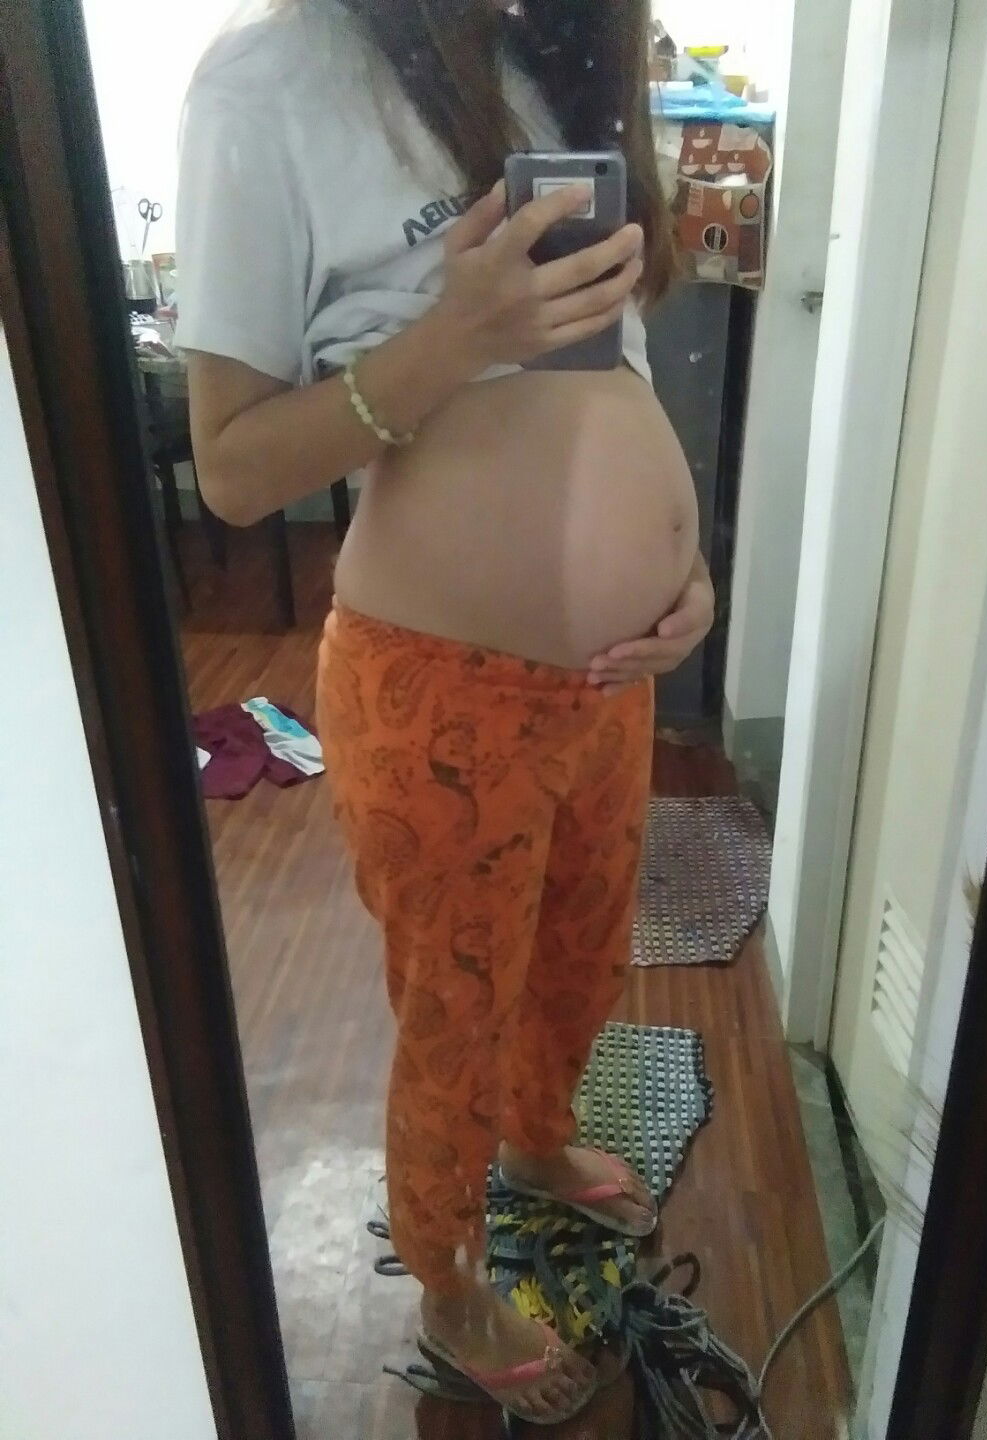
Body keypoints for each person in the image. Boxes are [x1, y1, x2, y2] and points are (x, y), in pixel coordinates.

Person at [176, 0, 715, 1424]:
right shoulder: (269, 79)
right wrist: (452, 334)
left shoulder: (550, 49)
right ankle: (448, 1275)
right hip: (441, 686)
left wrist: (684, 570)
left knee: (581, 954)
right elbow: (233, 471)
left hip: (609, 681)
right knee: (456, 1009)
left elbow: (610, 366)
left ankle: (538, 1146)